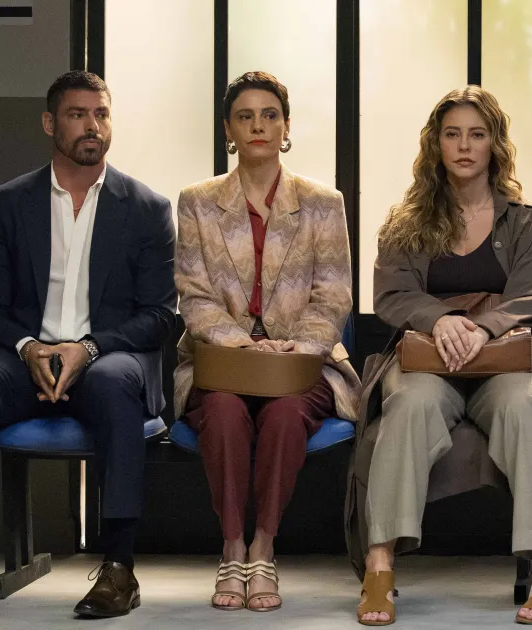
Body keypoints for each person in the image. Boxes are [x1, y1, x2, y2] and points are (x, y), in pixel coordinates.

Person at [0, 70, 175, 619]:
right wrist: (28, 348)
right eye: (77, 114)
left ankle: (119, 568)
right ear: (50, 123)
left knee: (116, 384)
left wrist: (87, 349)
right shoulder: (7, 203)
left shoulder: (146, 208)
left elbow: (160, 316)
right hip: (24, 358)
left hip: (106, 357)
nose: (92, 126)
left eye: (101, 114)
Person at [349, 86, 532, 626]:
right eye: (452, 134)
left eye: (477, 134)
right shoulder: (404, 222)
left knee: (525, 407)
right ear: (435, 144)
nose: (464, 145)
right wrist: (440, 320)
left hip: (506, 358)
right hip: (428, 358)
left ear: (495, 144)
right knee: (407, 405)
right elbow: (392, 294)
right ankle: (379, 562)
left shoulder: (528, 223)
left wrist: (481, 328)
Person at [173, 71, 360, 613]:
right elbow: (194, 296)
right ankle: (232, 546)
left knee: (283, 413)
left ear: (286, 127)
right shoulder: (197, 201)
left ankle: (263, 547)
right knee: (224, 413)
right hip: (222, 360)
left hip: (302, 362)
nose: (258, 125)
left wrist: (294, 348)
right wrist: (244, 346)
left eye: (270, 115)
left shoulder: (323, 202)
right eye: (245, 116)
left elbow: (334, 296)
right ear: (228, 130)